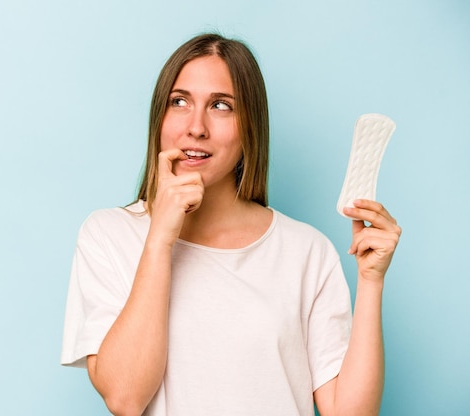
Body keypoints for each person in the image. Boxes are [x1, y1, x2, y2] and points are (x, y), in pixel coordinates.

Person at [61, 33, 401, 416]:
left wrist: (372, 282)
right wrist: (159, 239)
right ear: (160, 115)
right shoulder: (108, 234)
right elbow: (124, 398)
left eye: (221, 106)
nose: (196, 127)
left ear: (250, 127)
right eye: (180, 101)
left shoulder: (307, 250)